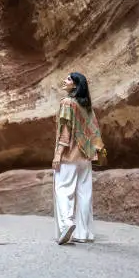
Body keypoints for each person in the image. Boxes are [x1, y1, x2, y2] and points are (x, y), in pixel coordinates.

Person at [52, 72, 106, 245]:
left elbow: (65, 132)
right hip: (86, 156)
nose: (64, 81)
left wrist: (58, 155)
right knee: (85, 194)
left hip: (70, 155)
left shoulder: (67, 103)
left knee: (63, 190)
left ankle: (67, 224)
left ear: (75, 85)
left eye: (68, 79)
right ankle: (84, 233)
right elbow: (94, 132)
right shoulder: (86, 107)